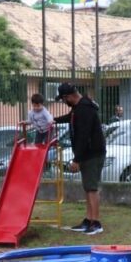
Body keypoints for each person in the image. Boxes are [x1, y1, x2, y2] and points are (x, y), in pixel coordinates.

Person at [54, 82, 106, 235]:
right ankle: (88, 219)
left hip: (92, 153)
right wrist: (53, 120)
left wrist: (77, 159)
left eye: (64, 100)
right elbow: (69, 118)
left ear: (68, 96)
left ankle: (96, 222)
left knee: (92, 188)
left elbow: (83, 136)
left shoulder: (84, 109)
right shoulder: (78, 108)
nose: (64, 103)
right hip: (87, 153)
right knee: (88, 187)